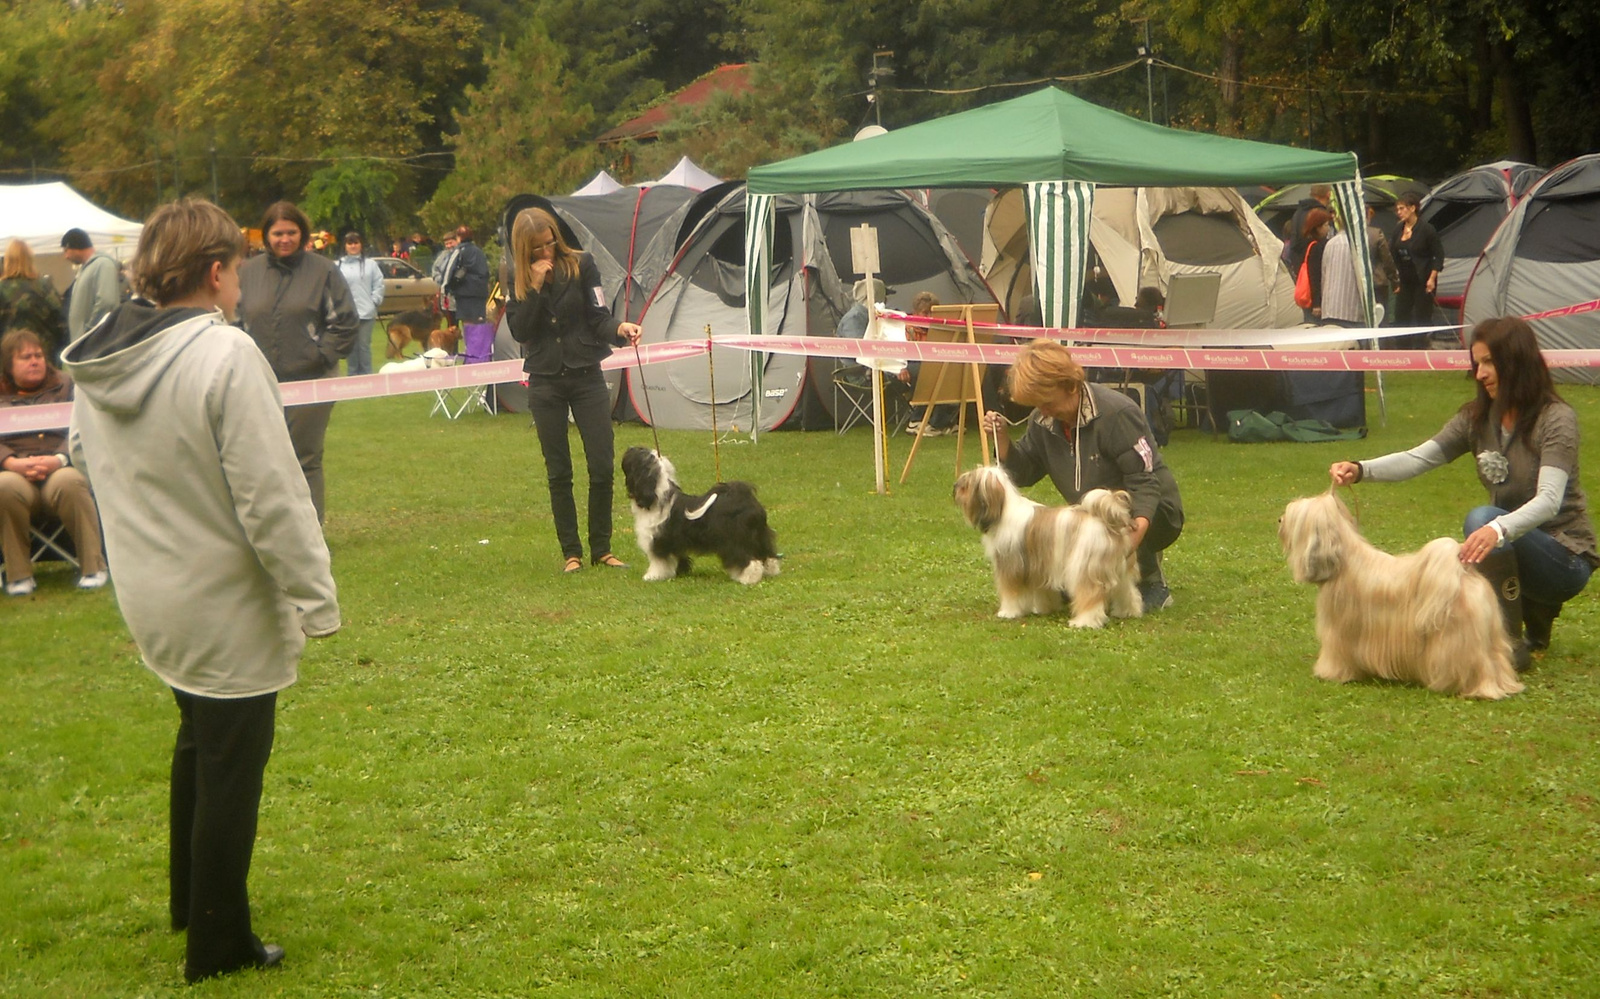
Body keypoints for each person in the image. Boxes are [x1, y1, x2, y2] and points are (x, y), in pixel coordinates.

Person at [62, 197, 339, 984]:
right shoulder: (226, 355)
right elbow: (273, 495)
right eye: (238, 270)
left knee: (198, 736)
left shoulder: (100, 353)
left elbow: (84, 447)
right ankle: (220, 941)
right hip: (220, 600)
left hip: (153, 593)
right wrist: (317, 599)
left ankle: (194, 898)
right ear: (218, 271)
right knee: (229, 764)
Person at [1330, 317, 1595, 666]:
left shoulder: (1556, 419)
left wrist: (1496, 529)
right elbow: (1418, 458)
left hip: (1565, 555)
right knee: (1484, 526)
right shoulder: (1476, 419)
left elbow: (1549, 500)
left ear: (1516, 361)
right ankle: (1522, 618)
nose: (1480, 373)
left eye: (1489, 362)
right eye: (1477, 363)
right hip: (1512, 544)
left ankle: (1509, 639)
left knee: (1482, 519)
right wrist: (1361, 469)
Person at [981, 338, 1185, 610]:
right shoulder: (1043, 420)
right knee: (1072, 587)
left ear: (1070, 386)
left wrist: (1127, 546)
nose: (1043, 411)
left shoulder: (1117, 413)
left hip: (1152, 511)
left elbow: (1145, 483)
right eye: (1037, 404)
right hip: (1089, 521)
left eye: (1047, 402)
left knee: (1115, 520)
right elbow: (1025, 472)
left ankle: (1149, 577)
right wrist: (1002, 439)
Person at [505, 207, 641, 573]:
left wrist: (620, 328)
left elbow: (598, 317)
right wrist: (534, 287)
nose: (547, 253)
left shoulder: (582, 264)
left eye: (550, 243)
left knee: (601, 464)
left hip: (586, 375)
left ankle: (602, 548)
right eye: (538, 249)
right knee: (559, 471)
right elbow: (521, 331)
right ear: (524, 250)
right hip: (545, 380)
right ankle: (572, 553)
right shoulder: (514, 278)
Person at [237, 202, 359, 521]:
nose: (285, 239)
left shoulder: (324, 271)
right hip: (259, 384)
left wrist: (320, 356)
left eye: (291, 232)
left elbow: (345, 322)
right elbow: (234, 321)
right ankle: (273, 529)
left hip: (312, 384)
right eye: (278, 233)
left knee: (304, 458)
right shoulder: (247, 272)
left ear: (302, 233)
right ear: (266, 236)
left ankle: (310, 529)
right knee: (263, 460)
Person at [0, 328, 107, 595]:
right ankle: (19, 576)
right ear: (8, 367)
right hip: (14, 473)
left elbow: (83, 427)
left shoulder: (69, 386)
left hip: (59, 468)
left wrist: (58, 458)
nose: (35, 361)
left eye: (38, 355)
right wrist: (10, 462)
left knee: (71, 481)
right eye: (25, 357)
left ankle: (94, 567)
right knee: (4, 487)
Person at [1389, 191, 1443, 349]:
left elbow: (1438, 255)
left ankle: (1421, 348)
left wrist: (1432, 278)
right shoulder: (1398, 230)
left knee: (1422, 315)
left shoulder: (1427, 229)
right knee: (1401, 314)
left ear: (1413, 208)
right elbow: (1392, 252)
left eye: (1402, 208)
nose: (1399, 212)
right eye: (1397, 210)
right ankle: (1402, 349)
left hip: (1423, 278)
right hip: (1405, 279)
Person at [0, 240, 68, 363]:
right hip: (42, 353)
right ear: (30, 259)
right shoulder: (44, 286)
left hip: (8, 356)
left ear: (7, 260)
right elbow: (60, 321)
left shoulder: (1, 288)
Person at [60, 228, 122, 343]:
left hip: (95, 344)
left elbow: (107, 303)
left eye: (66, 250)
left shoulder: (103, 264)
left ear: (75, 246)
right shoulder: (87, 268)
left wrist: (89, 332)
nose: (66, 256)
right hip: (86, 344)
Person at [335, 231, 385, 376]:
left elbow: (379, 284)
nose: (353, 246)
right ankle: (352, 376)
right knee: (351, 346)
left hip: (366, 313)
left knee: (363, 346)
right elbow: (333, 287)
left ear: (361, 244)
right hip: (346, 313)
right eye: (350, 243)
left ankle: (367, 375)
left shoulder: (371, 264)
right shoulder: (338, 265)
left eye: (356, 242)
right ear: (345, 246)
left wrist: (374, 301)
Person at [447, 225, 492, 363]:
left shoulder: (459, 251)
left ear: (459, 237)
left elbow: (450, 272)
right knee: (479, 323)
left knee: (467, 324)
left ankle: (472, 357)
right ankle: (481, 355)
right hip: (479, 294)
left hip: (464, 294)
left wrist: (449, 287)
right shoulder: (479, 252)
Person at [1284, 183, 1332, 273]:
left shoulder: (1298, 212)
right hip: (1315, 264)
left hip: (1299, 265)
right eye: (1326, 225)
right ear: (1328, 194)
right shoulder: (1319, 213)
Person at [1296, 208, 1333, 321]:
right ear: (1318, 227)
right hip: (1314, 300)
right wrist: (1316, 303)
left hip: (1308, 298)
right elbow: (1315, 275)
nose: (1328, 228)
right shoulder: (1317, 247)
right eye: (1326, 225)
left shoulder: (1304, 243)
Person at [430, 231, 459, 326]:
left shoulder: (462, 254)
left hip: (461, 294)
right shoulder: (442, 256)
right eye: (446, 244)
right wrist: (442, 281)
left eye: (451, 243)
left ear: (457, 241)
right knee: (451, 323)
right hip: (447, 294)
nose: (449, 246)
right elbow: (435, 270)